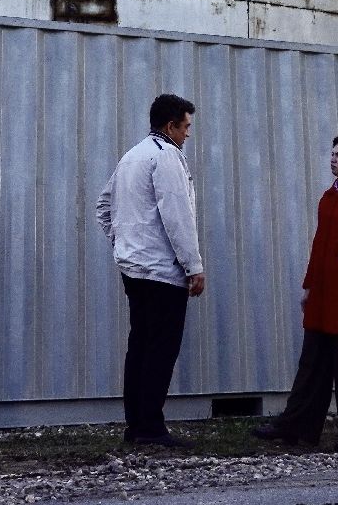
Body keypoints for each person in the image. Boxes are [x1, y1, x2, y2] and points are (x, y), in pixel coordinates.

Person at [254, 131, 338, 451]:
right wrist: (308, 286)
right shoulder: (328, 198)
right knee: (311, 365)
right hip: (322, 295)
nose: (333, 160)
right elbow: (319, 247)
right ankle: (297, 429)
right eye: (331, 154)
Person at [95, 93, 205, 448]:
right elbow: (178, 217)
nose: (188, 134)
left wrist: (122, 243)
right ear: (170, 125)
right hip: (162, 271)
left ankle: (136, 425)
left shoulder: (132, 155)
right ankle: (152, 428)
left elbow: (103, 206)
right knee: (160, 349)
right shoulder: (167, 157)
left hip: (134, 270)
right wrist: (194, 266)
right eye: (186, 126)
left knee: (139, 345)